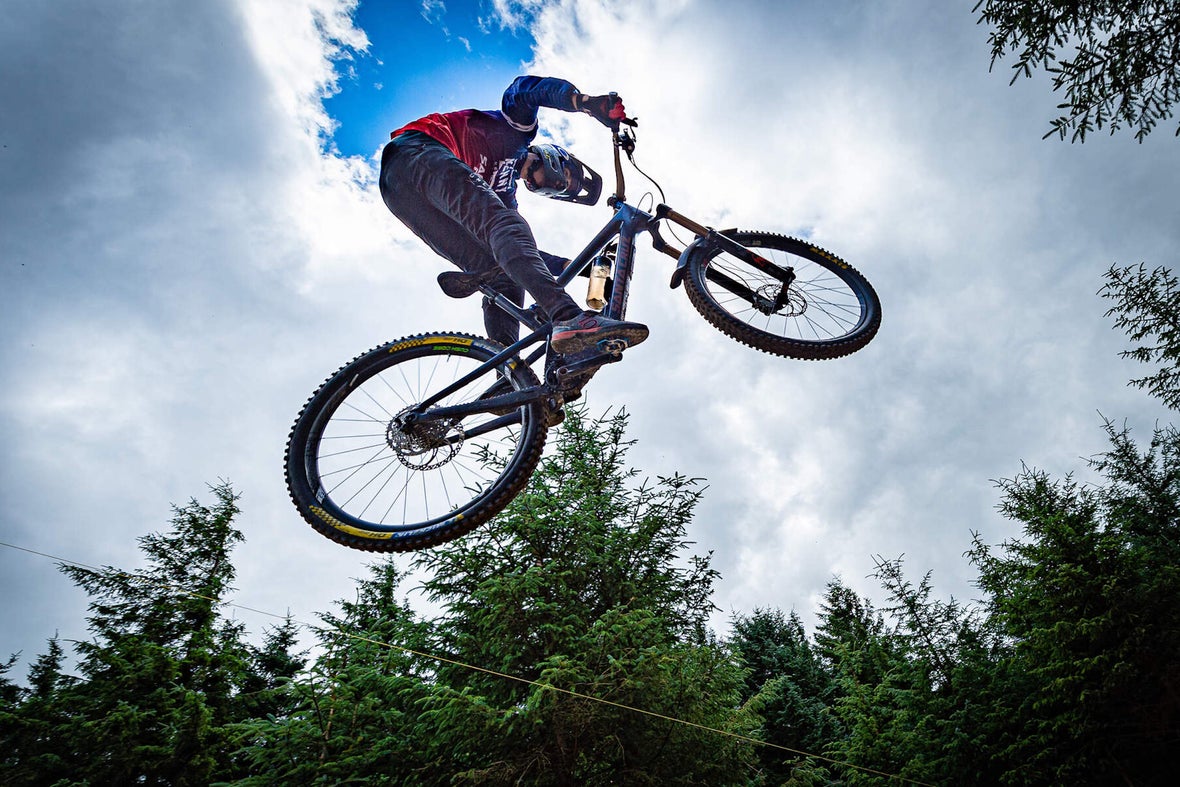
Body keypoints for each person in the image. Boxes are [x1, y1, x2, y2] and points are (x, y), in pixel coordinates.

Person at [379, 75, 648, 355]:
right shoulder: (516, 133)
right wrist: (584, 103)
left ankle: (509, 376)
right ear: (557, 159)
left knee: (502, 272)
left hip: (403, 198)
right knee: (508, 224)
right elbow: (523, 91)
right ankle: (567, 315)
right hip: (416, 153)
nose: (560, 185)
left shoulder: (503, 194)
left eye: (561, 190)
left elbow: (521, 253)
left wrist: (582, 268)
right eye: (565, 178)